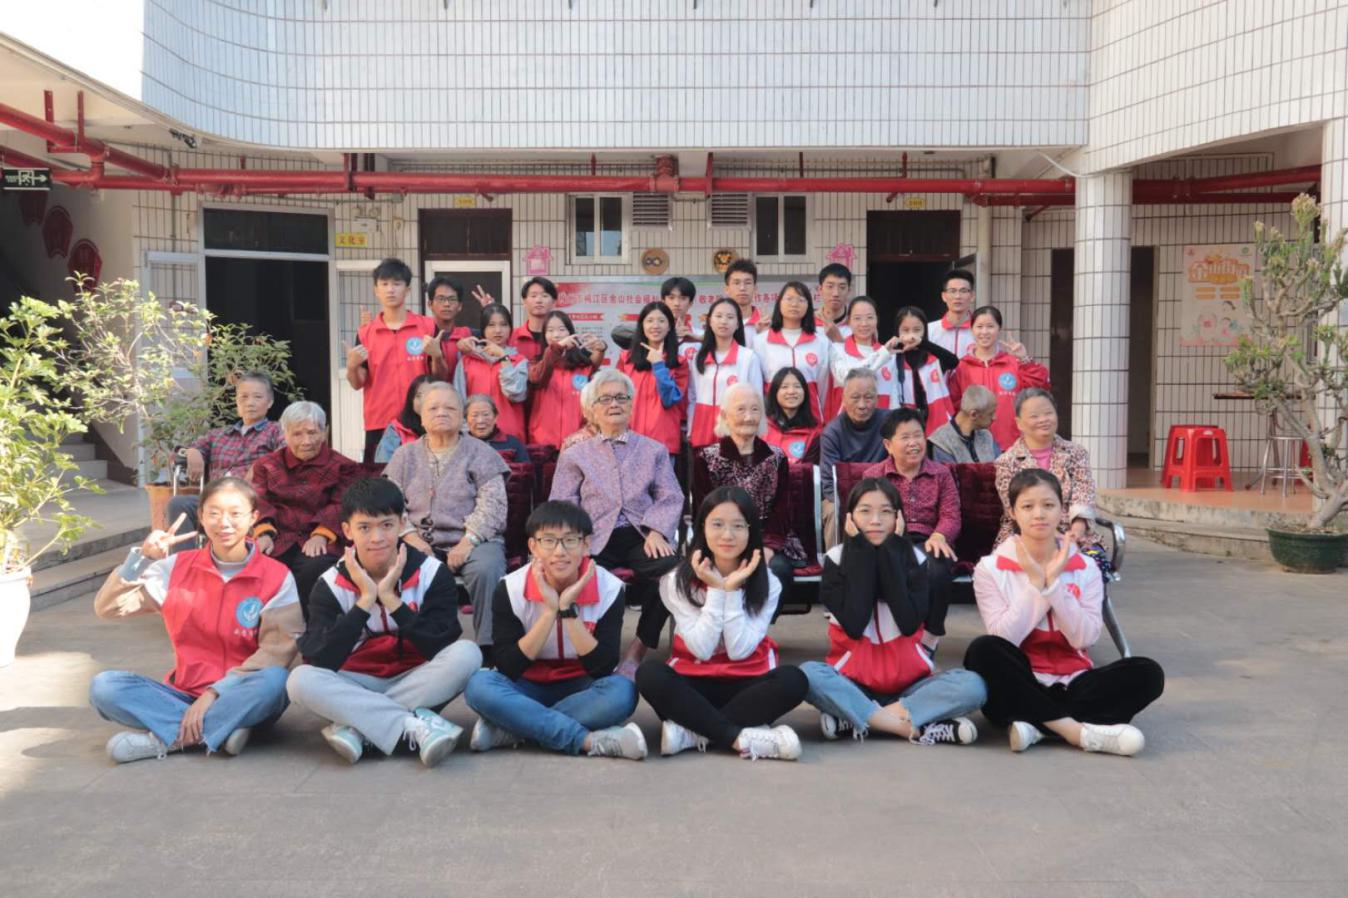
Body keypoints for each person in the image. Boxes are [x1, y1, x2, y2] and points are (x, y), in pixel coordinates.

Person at [90, 477, 301, 762]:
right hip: (182, 693)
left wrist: (214, 693)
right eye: (214, 513)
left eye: (235, 513)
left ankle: (173, 737)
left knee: (276, 680)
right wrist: (142, 559)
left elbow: (278, 652)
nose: (224, 523)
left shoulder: (276, 576)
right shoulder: (175, 568)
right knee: (104, 687)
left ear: (253, 517)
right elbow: (108, 608)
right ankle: (221, 729)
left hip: (242, 693)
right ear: (200, 516)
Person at [964, 470, 1164, 756]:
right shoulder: (990, 568)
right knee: (983, 650)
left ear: (1062, 510)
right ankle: (1076, 731)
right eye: (1028, 506)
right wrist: (1037, 584)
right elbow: (1005, 639)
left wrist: (1055, 585)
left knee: (1148, 673)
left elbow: (1084, 638)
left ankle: (1037, 726)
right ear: (1013, 512)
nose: (1039, 514)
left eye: (1048, 505)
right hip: (1021, 680)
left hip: (1075, 682)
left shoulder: (1086, 567)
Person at [287, 477, 482, 767]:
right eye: (365, 528)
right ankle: (413, 724)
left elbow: (440, 644)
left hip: (416, 678)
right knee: (299, 680)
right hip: (356, 682)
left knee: (468, 653)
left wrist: (392, 601)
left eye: (386, 525)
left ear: (402, 524)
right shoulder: (329, 584)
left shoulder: (432, 573)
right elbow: (322, 658)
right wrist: (365, 601)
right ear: (347, 531)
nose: (377, 538)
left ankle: (359, 726)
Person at [800, 478, 985, 745]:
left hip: (910, 685)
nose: (875, 520)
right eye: (865, 511)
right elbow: (855, 623)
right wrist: (863, 553)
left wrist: (890, 554)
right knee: (808, 675)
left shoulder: (917, 561)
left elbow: (908, 623)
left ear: (898, 518)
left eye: (885, 512)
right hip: (852, 681)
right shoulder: (836, 560)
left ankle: (857, 718)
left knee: (972, 685)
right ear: (850, 518)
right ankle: (913, 725)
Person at [463, 501, 647, 760]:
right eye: (548, 541)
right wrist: (550, 611)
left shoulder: (609, 588)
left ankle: (515, 727)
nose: (560, 551)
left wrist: (567, 611)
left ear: (586, 544)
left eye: (570, 540)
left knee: (623, 692)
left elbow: (602, 666)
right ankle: (588, 740)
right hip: (525, 684)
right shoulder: (510, 588)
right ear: (533, 546)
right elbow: (507, 665)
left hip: (582, 687)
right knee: (479, 685)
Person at [635, 487, 808, 761]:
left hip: (748, 683)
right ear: (702, 527)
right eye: (717, 525)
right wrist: (717, 590)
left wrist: (733, 590)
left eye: (738, 526)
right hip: (693, 683)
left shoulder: (769, 583)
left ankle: (693, 733)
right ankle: (739, 737)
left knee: (794, 680)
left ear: (751, 532)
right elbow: (702, 650)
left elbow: (739, 651)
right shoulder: (675, 581)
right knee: (650, 674)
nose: (727, 535)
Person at [547, 369, 683, 676]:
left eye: (621, 397)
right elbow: (562, 502)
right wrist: (576, 540)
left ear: (632, 405)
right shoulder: (575, 455)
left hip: (641, 535)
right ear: (592, 409)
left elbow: (671, 495)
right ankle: (596, 651)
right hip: (592, 537)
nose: (614, 404)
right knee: (582, 574)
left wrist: (657, 530)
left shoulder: (653, 450)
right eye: (605, 399)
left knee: (674, 574)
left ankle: (638, 650)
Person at [383, 382, 509, 662]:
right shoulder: (404, 455)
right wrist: (412, 538)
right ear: (421, 417)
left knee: (487, 568)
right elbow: (389, 504)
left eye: (450, 408)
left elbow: (494, 504)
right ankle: (416, 647)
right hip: (415, 538)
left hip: (474, 539)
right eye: (433, 408)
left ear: (462, 416)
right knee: (398, 565)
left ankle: (489, 649)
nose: (441, 413)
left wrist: (468, 542)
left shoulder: (482, 453)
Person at [692, 383, 806, 598]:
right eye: (741, 409)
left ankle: (759, 620)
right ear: (725, 416)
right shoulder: (706, 458)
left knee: (778, 571)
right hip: (721, 538)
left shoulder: (776, 457)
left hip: (766, 537)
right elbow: (702, 510)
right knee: (711, 569)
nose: (748, 417)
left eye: (755, 410)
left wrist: (769, 547)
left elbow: (782, 510)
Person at [251, 401, 362, 616]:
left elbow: (341, 503)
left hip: (319, 536)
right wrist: (263, 532)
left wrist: (322, 534)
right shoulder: (265, 465)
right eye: (297, 434)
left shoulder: (344, 466)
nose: (306, 441)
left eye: (312, 432)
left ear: (324, 432)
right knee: (262, 563)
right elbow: (259, 499)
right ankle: (265, 627)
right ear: (285, 434)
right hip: (278, 535)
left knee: (315, 567)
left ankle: (312, 627)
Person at [865, 408, 961, 656]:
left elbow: (951, 515)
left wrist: (940, 535)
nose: (913, 443)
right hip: (887, 540)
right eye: (905, 437)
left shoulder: (941, 474)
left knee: (937, 566)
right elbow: (865, 515)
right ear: (888, 445)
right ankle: (881, 638)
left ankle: (931, 635)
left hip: (929, 539)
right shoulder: (874, 476)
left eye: (918, 435)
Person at [994, 387, 1108, 570]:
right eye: (1034, 416)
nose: (1043, 420)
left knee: (1091, 567)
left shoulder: (1076, 453)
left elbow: (1083, 492)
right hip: (1024, 534)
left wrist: (1078, 528)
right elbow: (1013, 508)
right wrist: (1052, 538)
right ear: (1019, 423)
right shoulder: (1007, 461)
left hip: (1074, 533)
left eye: (1048, 413)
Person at [169, 372, 283, 550]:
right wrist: (192, 451)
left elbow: (286, 455)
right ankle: (185, 561)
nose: (250, 402)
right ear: (237, 401)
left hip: (250, 502)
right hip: (214, 502)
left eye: (257, 397)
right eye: (244, 397)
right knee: (178, 504)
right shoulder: (219, 434)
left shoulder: (275, 430)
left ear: (270, 402)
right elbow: (180, 453)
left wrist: (260, 466)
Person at [345, 258, 436, 463]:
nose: (390, 290)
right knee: (379, 478)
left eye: (396, 283)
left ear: (408, 289)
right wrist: (351, 367)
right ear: (376, 290)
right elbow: (358, 383)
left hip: (422, 420)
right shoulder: (366, 333)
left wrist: (437, 355)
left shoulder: (427, 327)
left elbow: (439, 376)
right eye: (384, 284)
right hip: (379, 422)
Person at [948, 305, 1049, 451]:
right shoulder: (962, 367)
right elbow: (954, 406)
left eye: (990, 326)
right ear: (972, 329)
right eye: (979, 327)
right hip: (974, 447)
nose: (984, 332)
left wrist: (1024, 359)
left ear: (999, 329)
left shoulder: (1013, 363)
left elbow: (1041, 387)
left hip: (1011, 446)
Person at [819, 368, 890, 549]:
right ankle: (835, 562)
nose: (862, 405)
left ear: (877, 399)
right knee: (832, 510)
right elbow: (829, 484)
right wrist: (859, 507)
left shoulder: (890, 423)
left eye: (868, 397)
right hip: (843, 498)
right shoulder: (832, 433)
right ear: (843, 399)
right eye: (855, 397)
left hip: (884, 494)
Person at [687, 297, 765, 449]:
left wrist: (754, 432)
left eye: (730, 317)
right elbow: (692, 396)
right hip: (702, 427)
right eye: (718, 316)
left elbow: (757, 398)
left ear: (737, 324)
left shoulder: (748, 357)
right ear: (710, 321)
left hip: (735, 427)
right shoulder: (698, 357)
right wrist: (691, 428)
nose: (723, 321)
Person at [753, 281, 831, 422]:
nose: (794, 304)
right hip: (773, 419)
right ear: (779, 303)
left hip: (811, 418)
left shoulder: (821, 342)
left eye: (801, 300)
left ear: (809, 306)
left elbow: (823, 386)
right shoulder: (761, 341)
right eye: (789, 299)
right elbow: (757, 385)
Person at [617, 301, 688, 455]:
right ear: (642, 326)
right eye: (649, 320)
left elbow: (670, 399)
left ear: (669, 327)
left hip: (662, 444)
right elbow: (617, 398)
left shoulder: (679, 362)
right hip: (628, 440)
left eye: (661, 321)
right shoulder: (626, 359)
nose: (655, 325)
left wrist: (659, 366)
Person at [453, 302, 528, 443]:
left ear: (510, 328)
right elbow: (458, 401)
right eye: (491, 325)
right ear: (483, 329)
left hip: (510, 437)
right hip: (474, 438)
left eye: (504, 325)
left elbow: (515, 394)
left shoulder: (519, 361)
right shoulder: (467, 361)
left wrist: (504, 357)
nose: (498, 330)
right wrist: (465, 434)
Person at [526, 309, 597, 449]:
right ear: (544, 335)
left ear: (570, 332)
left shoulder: (583, 367)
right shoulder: (536, 365)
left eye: (561, 329)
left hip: (578, 443)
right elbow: (537, 378)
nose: (556, 335)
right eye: (550, 330)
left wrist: (601, 349)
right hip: (543, 444)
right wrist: (557, 348)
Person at [827, 295, 903, 419]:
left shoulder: (888, 353)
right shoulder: (838, 350)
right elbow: (848, 378)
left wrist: (895, 423)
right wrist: (882, 354)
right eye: (857, 318)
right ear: (849, 321)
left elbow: (893, 396)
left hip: (882, 423)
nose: (864, 323)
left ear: (877, 319)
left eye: (870, 317)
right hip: (850, 423)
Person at [890, 306, 960, 435]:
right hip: (905, 426)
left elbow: (953, 361)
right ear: (897, 331)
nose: (911, 335)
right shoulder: (891, 358)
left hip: (937, 425)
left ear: (925, 331)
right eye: (905, 330)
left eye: (917, 330)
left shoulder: (933, 357)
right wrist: (886, 349)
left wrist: (923, 343)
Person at [423, 275, 477, 383]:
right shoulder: (422, 336)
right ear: (430, 304)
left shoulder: (469, 335)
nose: (447, 304)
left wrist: (489, 309)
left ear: (460, 306)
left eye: (452, 299)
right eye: (441, 299)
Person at [929, 384, 1001, 464]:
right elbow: (947, 472)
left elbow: (1001, 467)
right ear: (973, 414)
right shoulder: (942, 443)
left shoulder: (986, 436)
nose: (994, 417)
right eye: (990, 413)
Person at [763, 366, 821, 464]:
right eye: (784, 387)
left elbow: (809, 470)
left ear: (805, 392)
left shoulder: (815, 434)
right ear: (774, 392)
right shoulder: (761, 428)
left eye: (797, 386)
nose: (791, 392)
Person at [373, 374, 432, 464]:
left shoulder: (449, 428)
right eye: (418, 395)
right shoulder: (395, 430)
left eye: (430, 395)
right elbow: (383, 466)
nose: (424, 400)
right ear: (411, 400)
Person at [465, 393, 531, 463]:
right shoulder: (460, 445)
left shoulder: (512, 443)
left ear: (495, 417)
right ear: (466, 419)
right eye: (475, 416)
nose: (480, 421)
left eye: (485, 415)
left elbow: (525, 468)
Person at [926, 268, 977, 358]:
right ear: (944, 296)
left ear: (972, 296)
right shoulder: (929, 330)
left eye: (963, 291)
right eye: (952, 291)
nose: (958, 296)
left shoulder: (981, 331)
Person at [723, 258, 764, 335]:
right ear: (727, 289)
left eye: (748, 283)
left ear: (755, 288)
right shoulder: (719, 324)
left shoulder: (765, 323)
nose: (742, 288)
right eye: (736, 283)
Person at [815, 262, 853, 342]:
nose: (836, 293)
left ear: (849, 291)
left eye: (842, 287)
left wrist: (838, 340)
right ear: (820, 289)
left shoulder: (857, 324)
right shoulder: (808, 323)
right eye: (830, 286)